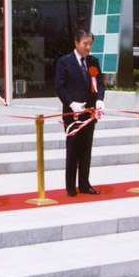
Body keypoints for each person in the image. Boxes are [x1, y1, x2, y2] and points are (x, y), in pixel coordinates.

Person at [55, 29, 105, 197]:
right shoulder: (65, 62)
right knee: (73, 150)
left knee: (86, 150)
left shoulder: (93, 61)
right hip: (73, 114)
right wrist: (71, 104)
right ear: (76, 43)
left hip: (90, 113)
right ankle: (70, 186)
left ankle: (84, 183)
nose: (88, 47)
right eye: (85, 44)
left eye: (90, 44)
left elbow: (101, 83)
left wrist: (99, 100)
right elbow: (60, 87)